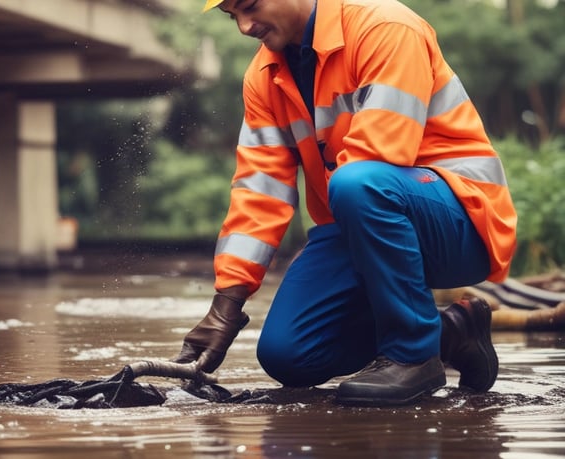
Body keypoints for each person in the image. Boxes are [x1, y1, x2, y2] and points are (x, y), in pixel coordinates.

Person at [174, 0, 517, 406]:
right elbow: (260, 191)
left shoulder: (386, 27)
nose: (245, 27)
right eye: (232, 15)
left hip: (463, 219)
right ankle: (451, 332)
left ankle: (413, 355)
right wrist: (226, 304)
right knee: (290, 355)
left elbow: (379, 155)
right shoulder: (264, 76)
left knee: (358, 181)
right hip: (361, 219)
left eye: (250, 6)